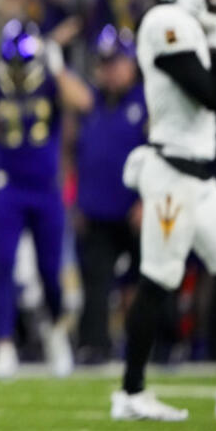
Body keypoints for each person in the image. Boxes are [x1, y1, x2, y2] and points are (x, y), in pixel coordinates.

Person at [112, 0, 216, 421]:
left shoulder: (203, 27)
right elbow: (209, 95)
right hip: (171, 173)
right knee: (157, 281)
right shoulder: (167, 22)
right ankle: (130, 392)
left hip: (202, 177)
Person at [0, 20, 93, 379]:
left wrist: (57, 66)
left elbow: (84, 101)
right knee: (2, 264)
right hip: (7, 184)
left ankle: (58, 336)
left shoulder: (50, 76)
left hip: (45, 187)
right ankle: (3, 343)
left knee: (50, 270)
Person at [72, 25, 144, 364]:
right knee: (96, 283)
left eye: (115, 62)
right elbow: (73, 153)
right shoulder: (91, 102)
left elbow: (160, 152)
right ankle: (94, 345)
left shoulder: (147, 101)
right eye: (103, 63)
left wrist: (148, 200)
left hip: (136, 210)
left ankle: (152, 343)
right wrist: (75, 199)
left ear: (131, 63)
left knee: (147, 282)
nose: (108, 70)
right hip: (97, 209)